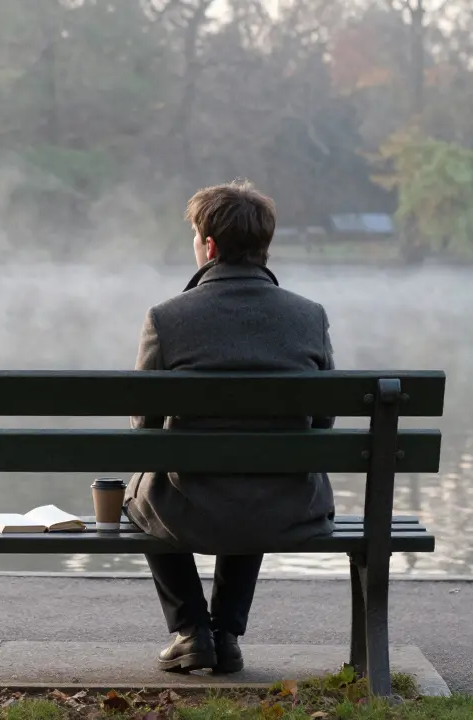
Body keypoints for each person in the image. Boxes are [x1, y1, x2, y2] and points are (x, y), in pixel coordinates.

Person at [123, 179, 337, 674]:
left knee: (142, 493)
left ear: (209, 247)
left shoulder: (167, 318)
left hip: (190, 509)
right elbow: (323, 420)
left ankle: (192, 631)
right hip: (287, 508)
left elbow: (143, 424)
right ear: (263, 247)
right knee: (262, 475)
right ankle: (227, 632)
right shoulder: (309, 316)